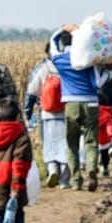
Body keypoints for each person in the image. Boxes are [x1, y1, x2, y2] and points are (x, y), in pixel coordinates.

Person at [49, 25, 100, 191]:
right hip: (91, 101)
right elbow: (97, 83)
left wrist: (62, 28)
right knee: (91, 140)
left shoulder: (60, 59)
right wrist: (106, 73)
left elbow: (52, 42)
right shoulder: (88, 58)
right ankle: (92, 167)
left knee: (71, 144)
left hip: (71, 103)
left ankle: (76, 181)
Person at [26, 44, 71, 189]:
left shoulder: (43, 68)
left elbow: (32, 91)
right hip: (65, 112)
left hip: (47, 113)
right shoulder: (69, 67)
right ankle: (64, 180)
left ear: (47, 53)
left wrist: (27, 112)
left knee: (50, 144)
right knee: (65, 145)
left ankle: (52, 170)